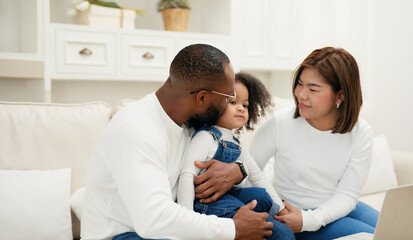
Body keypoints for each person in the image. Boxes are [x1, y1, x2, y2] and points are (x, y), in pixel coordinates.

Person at [80, 44, 275, 240]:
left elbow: (226, 154)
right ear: (202, 98)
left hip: (163, 225)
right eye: (227, 97)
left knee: (262, 207)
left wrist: (238, 170)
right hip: (125, 235)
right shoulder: (137, 129)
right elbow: (154, 220)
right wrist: (234, 228)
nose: (228, 105)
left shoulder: (190, 123)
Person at [248, 47, 379, 240]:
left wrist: (310, 219)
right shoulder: (280, 123)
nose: (301, 94)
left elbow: (348, 195)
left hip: (332, 207)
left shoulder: (361, 132)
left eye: (313, 89)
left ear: (340, 95)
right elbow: (249, 172)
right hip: (292, 211)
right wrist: (283, 211)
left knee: (402, 231)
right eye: (300, 84)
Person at [177, 72, 295, 240]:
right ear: (213, 104)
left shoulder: (236, 143)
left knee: (262, 196)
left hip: (228, 198)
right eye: (233, 102)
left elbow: (257, 176)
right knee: (284, 235)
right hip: (206, 205)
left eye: (245, 105)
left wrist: (281, 211)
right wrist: (187, 220)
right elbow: (187, 175)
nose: (241, 108)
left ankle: (262, 221)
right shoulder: (207, 137)